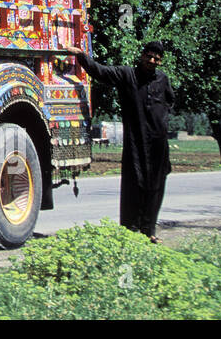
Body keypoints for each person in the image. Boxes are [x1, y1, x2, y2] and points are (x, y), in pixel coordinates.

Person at [64, 40, 175, 242]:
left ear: (160, 62)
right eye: (148, 56)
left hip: (158, 143)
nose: (151, 61)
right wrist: (80, 55)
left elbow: (169, 102)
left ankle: (149, 231)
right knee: (135, 184)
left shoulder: (162, 79)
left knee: (156, 186)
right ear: (142, 56)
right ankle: (130, 232)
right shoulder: (127, 75)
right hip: (137, 140)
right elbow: (100, 71)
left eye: (156, 59)